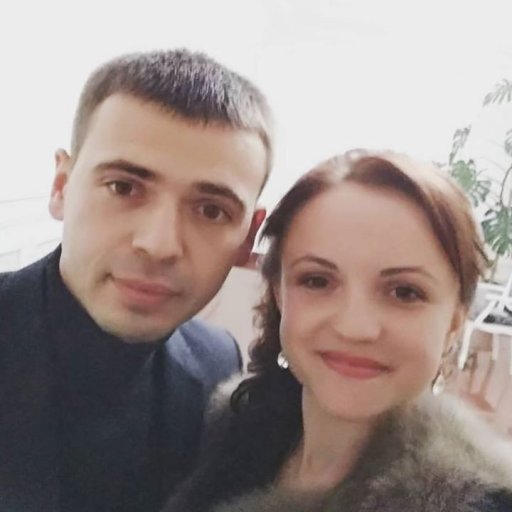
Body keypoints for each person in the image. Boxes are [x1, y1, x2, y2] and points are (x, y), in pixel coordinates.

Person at [0, 49, 273, 512]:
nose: (159, 244)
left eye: (211, 210)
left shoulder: (217, 362)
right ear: (62, 187)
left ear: (247, 237)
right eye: (124, 187)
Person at [163, 150, 512, 512]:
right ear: (279, 294)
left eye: (404, 292)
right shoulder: (223, 433)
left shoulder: (478, 502)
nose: (354, 327)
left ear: (454, 322)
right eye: (317, 280)